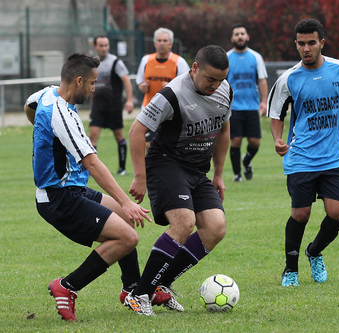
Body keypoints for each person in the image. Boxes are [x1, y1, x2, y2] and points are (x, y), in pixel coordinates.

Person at [23, 53, 174, 322]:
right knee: (128, 238)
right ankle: (67, 286)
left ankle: (133, 289)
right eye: (92, 83)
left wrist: (42, 135)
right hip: (58, 197)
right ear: (78, 80)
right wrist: (126, 201)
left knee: (126, 222)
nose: (94, 89)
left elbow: (29, 105)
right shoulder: (61, 114)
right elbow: (93, 164)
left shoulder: (45, 94)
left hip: (72, 189)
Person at [267, 19, 339, 287]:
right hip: (302, 157)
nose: (306, 48)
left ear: (322, 42)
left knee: (338, 212)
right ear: (296, 44)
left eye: (311, 43)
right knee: (300, 214)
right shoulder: (288, 78)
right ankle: (290, 269)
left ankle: (314, 251)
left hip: (334, 156)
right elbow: (276, 113)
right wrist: (277, 139)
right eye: (301, 43)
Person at [125, 45, 233, 316]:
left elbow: (223, 130)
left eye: (221, 79)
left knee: (215, 228)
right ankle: (139, 294)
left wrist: (218, 173)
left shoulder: (225, 90)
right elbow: (137, 131)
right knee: (184, 222)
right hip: (166, 163)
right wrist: (140, 177)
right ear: (194, 68)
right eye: (211, 79)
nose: (216, 85)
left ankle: (161, 284)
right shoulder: (172, 94)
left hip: (197, 170)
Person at [226, 24, 268, 182]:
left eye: (242, 33)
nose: (240, 36)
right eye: (236, 34)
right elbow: (222, 82)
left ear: (247, 37)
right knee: (235, 140)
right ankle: (237, 175)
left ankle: (247, 161)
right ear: (232, 38)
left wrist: (264, 101)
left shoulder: (256, 57)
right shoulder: (227, 57)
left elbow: (262, 80)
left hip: (252, 106)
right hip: (234, 107)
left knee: (254, 142)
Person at [136, 27, 190, 147]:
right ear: (155, 43)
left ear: (170, 44)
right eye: (159, 40)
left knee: (169, 143)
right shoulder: (146, 60)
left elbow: (187, 86)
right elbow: (140, 82)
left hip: (171, 110)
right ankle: (149, 166)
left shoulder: (179, 62)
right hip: (149, 107)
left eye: (165, 41)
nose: (162, 43)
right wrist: (142, 87)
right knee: (148, 143)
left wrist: (171, 87)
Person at [89, 36, 134, 176]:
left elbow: (126, 80)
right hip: (98, 106)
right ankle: (92, 169)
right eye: (101, 45)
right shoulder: (92, 63)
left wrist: (129, 100)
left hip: (113, 106)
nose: (104, 48)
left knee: (119, 135)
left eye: (106, 45)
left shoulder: (115, 62)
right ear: (95, 47)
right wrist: (91, 106)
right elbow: (91, 86)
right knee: (92, 136)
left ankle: (122, 168)